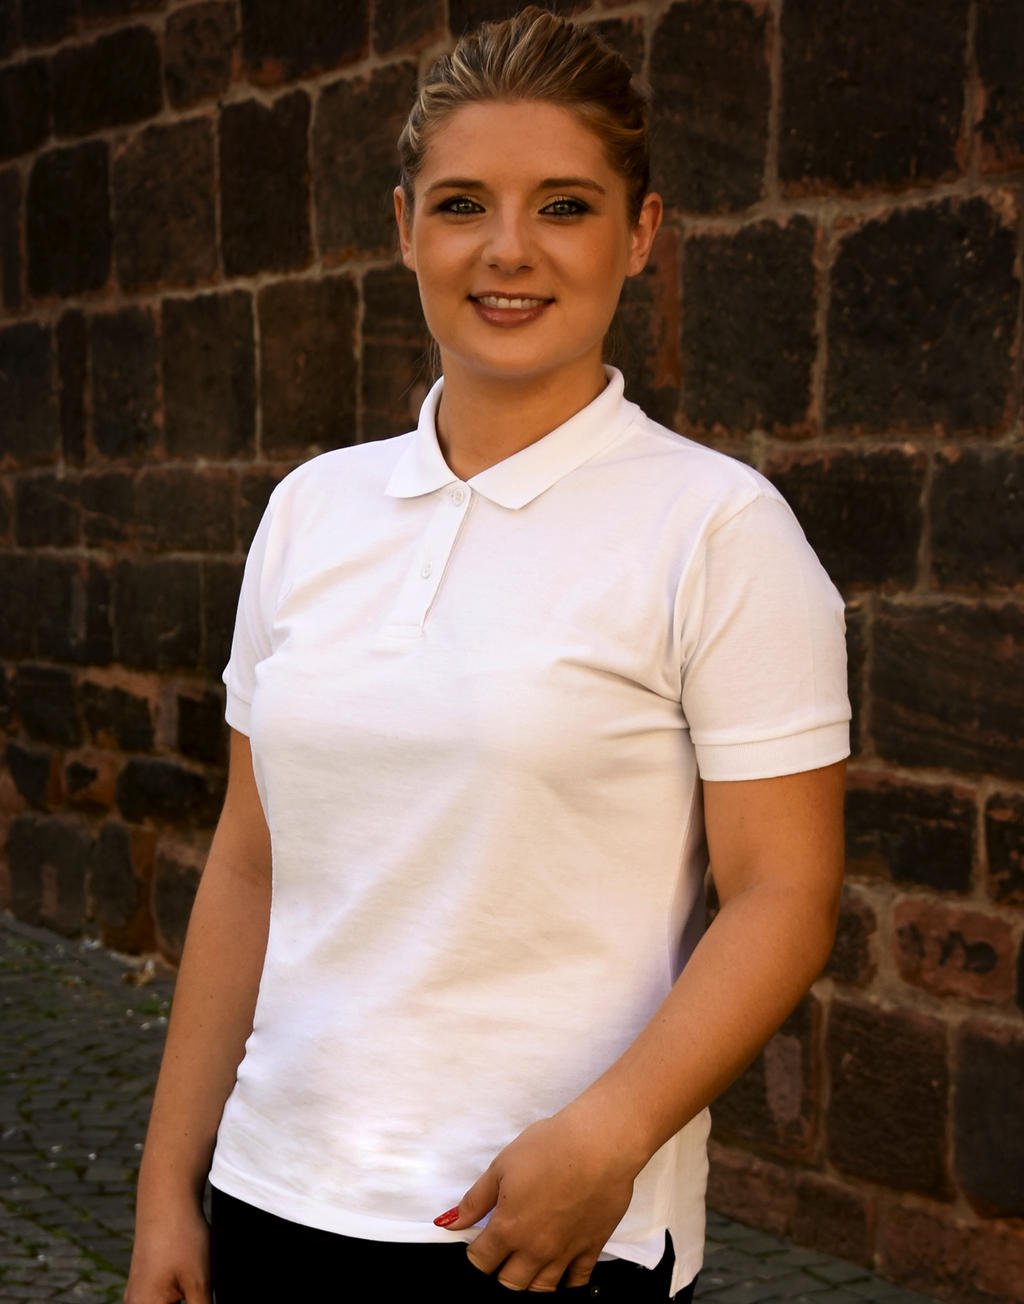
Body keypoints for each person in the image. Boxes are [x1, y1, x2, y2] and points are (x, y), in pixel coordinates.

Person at [125, 8, 849, 1302]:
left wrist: (613, 1133)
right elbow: (247, 863)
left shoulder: (718, 529)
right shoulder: (310, 511)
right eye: (464, 204)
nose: (509, 249)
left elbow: (784, 892)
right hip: (275, 1197)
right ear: (406, 227)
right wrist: (168, 1188)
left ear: (640, 233)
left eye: (565, 206)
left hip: (547, 1227)